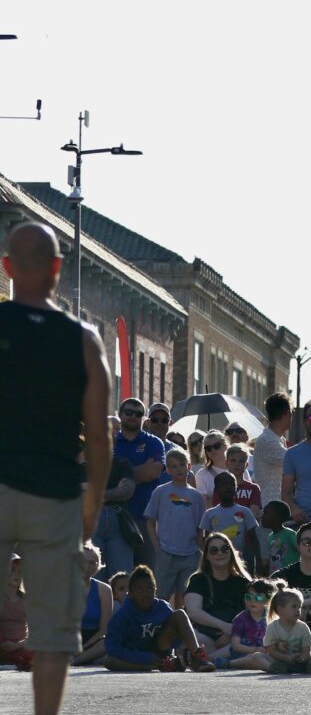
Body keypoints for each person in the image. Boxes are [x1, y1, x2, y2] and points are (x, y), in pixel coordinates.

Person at [0, 222, 112, 715]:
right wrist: (91, 507)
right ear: (57, 269)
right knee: (51, 636)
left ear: (6, 267)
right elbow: (100, 436)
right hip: (55, 495)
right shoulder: (83, 340)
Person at [102, 564, 215, 672]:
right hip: (135, 655)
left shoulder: (162, 607)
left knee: (179, 614)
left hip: (159, 650)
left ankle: (197, 657)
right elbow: (112, 648)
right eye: (139, 590)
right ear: (130, 594)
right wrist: (146, 658)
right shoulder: (122, 616)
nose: (145, 594)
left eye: (149, 589)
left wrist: (175, 642)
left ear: (155, 590)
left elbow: (176, 635)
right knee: (109, 661)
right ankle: (150, 667)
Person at [144, 448, 205, 607]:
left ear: (189, 466)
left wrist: (199, 549)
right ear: (168, 470)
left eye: (182, 465)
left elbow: (200, 528)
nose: (179, 469)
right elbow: (150, 521)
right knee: (161, 596)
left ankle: (180, 620)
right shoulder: (160, 491)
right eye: (174, 466)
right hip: (166, 553)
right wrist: (157, 548)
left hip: (190, 554)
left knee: (184, 597)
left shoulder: (197, 496)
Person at [183, 532, 251, 656]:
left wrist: (233, 632)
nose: (220, 553)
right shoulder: (198, 579)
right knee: (194, 637)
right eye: (214, 550)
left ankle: (209, 659)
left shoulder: (243, 583)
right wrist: (224, 626)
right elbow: (193, 611)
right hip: (204, 636)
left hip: (235, 638)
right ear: (207, 556)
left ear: (231, 552)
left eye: (224, 549)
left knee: (251, 639)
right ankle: (217, 657)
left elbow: (254, 613)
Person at [270, 522, 311, 645]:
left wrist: (304, 603)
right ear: (298, 546)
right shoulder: (285, 575)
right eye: (306, 542)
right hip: (289, 634)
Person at [92, 448, 136, 580]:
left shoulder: (122, 464)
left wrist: (94, 493)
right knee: (93, 577)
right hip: (91, 520)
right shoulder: (83, 465)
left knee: (122, 577)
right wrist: (112, 493)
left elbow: (126, 491)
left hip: (118, 521)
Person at [221, 578, 279, 670]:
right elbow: (235, 646)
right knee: (253, 658)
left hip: (265, 654)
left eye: (258, 597)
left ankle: (271, 666)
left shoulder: (273, 618)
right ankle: (230, 664)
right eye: (248, 597)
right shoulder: (240, 619)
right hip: (243, 655)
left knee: (267, 657)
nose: (252, 601)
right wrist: (255, 650)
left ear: (269, 600)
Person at [200, 471, 260, 558]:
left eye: (232, 484)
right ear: (216, 490)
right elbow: (207, 541)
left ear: (236, 488)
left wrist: (258, 561)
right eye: (224, 485)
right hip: (217, 560)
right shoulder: (209, 514)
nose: (228, 487)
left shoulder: (245, 511)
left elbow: (254, 538)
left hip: (240, 560)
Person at [73, 542, 114, 666]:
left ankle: (76, 660)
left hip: (94, 641)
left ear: (98, 565)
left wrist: (83, 648)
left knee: (109, 641)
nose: (87, 566)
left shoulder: (104, 590)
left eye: (92, 562)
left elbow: (104, 629)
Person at [263, 584, 311, 673]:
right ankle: (273, 667)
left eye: (299, 607)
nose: (298, 610)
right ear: (280, 609)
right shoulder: (272, 628)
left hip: (299, 661)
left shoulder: (303, 627)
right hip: (278, 660)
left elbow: (307, 651)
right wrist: (286, 658)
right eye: (294, 606)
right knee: (257, 656)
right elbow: (271, 651)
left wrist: (303, 658)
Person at [253, 393, 291, 509]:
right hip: (268, 507)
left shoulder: (278, 439)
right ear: (286, 414)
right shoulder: (266, 440)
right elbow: (293, 460)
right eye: (291, 413)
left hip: (277, 505)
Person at [0, 553, 31, 671]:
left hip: (23, 647)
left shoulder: (27, 599)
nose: (16, 574)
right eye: (12, 570)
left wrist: (24, 643)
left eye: (19, 571)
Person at [260, 500, 300, 574]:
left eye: (265, 513)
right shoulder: (270, 536)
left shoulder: (289, 534)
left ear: (278, 518)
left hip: (291, 575)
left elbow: (303, 551)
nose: (262, 516)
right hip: (276, 577)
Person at [194, 430, 230, 509]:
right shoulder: (202, 475)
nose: (213, 450)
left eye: (216, 446)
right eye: (208, 448)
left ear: (225, 446)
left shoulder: (238, 469)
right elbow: (202, 504)